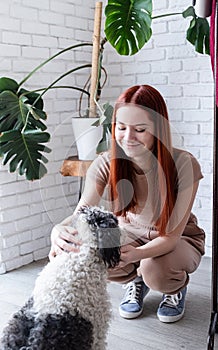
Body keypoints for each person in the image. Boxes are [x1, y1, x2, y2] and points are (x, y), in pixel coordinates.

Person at [50, 85, 205, 323]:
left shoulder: (184, 164)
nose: (128, 137)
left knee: (155, 269)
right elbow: (83, 213)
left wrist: (139, 254)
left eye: (140, 130)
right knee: (90, 250)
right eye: (121, 128)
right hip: (129, 233)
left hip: (178, 238)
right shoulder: (105, 163)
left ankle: (173, 288)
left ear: (158, 130)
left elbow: (171, 237)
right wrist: (58, 230)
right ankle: (136, 280)